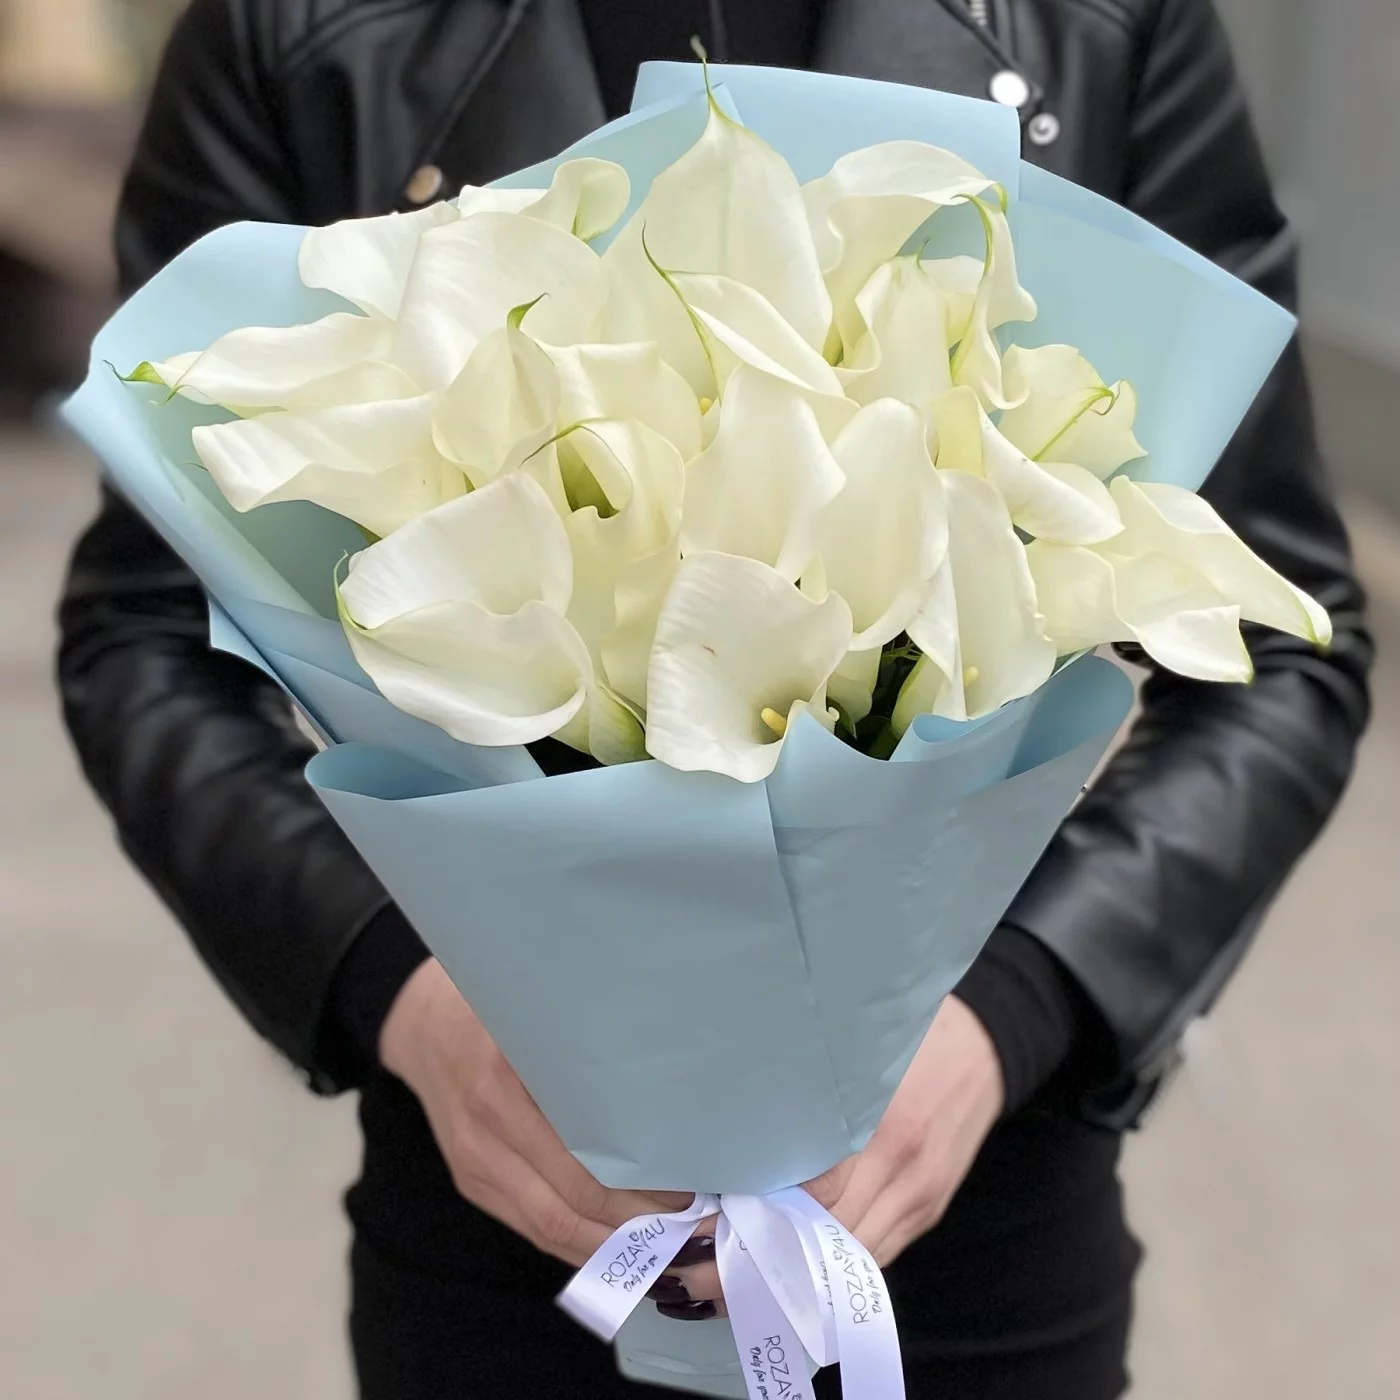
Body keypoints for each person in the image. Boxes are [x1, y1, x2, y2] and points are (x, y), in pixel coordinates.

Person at [58, 2, 1372, 1397]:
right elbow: (144, 637)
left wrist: (1015, 1012)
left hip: (974, 1218)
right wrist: (406, 998)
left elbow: (1288, 644)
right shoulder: (295, 24)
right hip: (504, 1225)